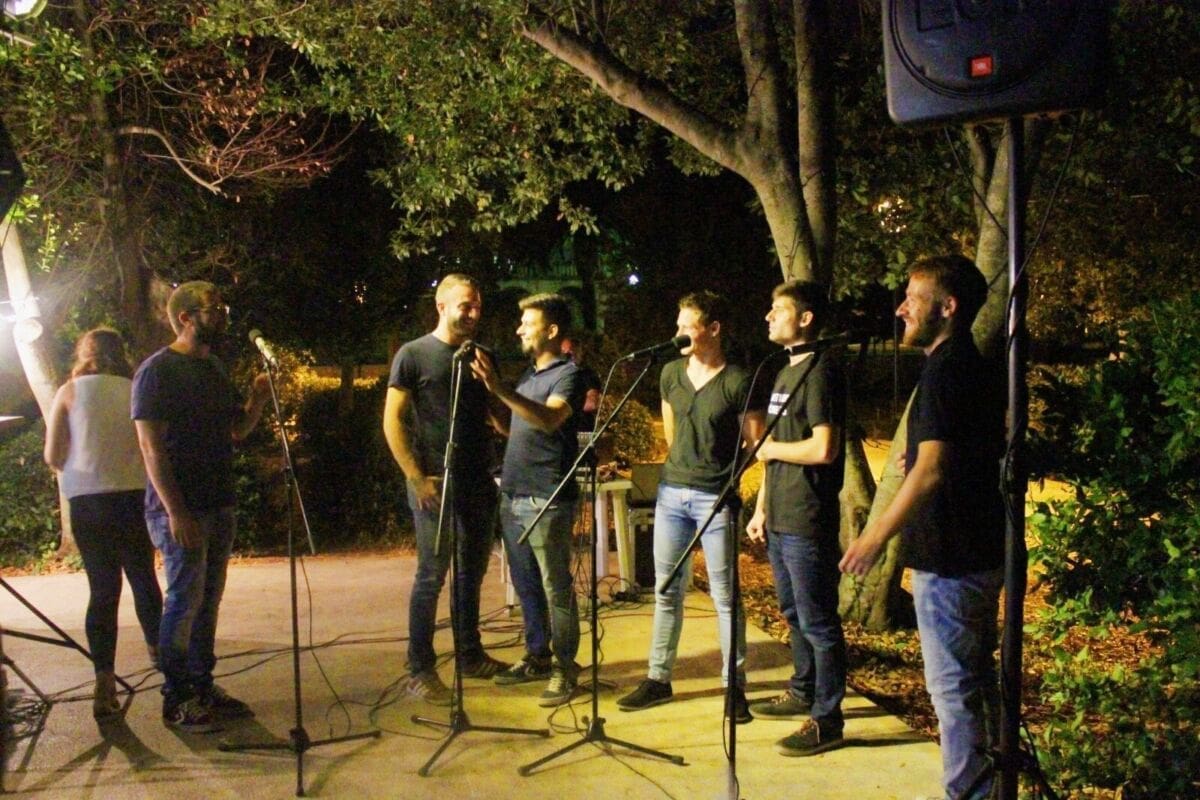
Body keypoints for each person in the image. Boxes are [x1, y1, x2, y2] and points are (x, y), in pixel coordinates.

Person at [840, 255, 1005, 800]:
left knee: (953, 691)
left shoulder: (943, 371)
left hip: (951, 558)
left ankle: (968, 793)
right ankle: (990, 786)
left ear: (948, 307)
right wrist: (920, 457)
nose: (901, 309)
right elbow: (956, 452)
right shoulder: (971, 364)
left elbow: (931, 471)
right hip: (978, 550)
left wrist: (873, 537)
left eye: (913, 297)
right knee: (975, 684)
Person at [617, 290, 763, 722]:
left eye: (687, 326)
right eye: (677, 325)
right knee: (666, 589)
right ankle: (658, 678)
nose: (678, 333)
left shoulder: (738, 380)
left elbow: (755, 443)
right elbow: (672, 433)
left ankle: (734, 687)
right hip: (672, 494)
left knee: (724, 595)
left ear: (713, 329)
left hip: (715, 499)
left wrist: (724, 477)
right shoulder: (669, 374)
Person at [132, 282, 271, 733]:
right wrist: (176, 511)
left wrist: (257, 399)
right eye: (215, 308)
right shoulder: (156, 371)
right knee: (183, 599)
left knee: (208, 599)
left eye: (223, 306)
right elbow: (151, 448)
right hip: (180, 506)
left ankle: (202, 685)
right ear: (186, 317)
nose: (224, 315)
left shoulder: (213, 367)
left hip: (218, 500)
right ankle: (177, 696)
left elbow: (236, 430)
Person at [382, 273, 507, 706]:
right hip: (435, 481)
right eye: (465, 305)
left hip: (478, 479)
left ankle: (469, 655)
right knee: (432, 575)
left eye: (477, 306)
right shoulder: (414, 355)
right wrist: (415, 476)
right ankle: (420, 668)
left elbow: (502, 422)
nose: (473, 313)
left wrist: (495, 386)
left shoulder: (483, 357)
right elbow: (392, 420)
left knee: (472, 573)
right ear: (441, 307)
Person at [746, 280, 848, 756]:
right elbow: (775, 452)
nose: (768, 317)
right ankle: (803, 689)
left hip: (809, 517)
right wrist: (761, 507)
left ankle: (827, 719)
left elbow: (824, 448)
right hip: (781, 516)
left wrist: (769, 449)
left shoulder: (822, 371)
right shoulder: (785, 371)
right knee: (792, 613)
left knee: (818, 622)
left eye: (778, 309)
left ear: (805, 319)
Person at [472, 293, 586, 707]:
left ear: (552, 331)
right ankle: (538, 656)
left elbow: (550, 418)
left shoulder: (569, 375)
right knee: (526, 584)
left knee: (556, 587)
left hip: (547, 497)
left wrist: (499, 388)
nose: (519, 329)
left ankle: (565, 668)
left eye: (528, 323)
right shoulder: (527, 376)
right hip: (514, 493)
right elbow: (516, 426)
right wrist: (489, 400)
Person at [44, 328, 163, 720]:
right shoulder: (134, 389)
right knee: (143, 578)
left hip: (88, 501)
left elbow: (52, 455)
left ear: (83, 354)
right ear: (120, 353)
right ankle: (162, 662)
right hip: (132, 496)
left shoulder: (68, 392)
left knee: (103, 590)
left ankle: (104, 680)